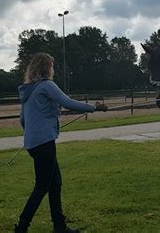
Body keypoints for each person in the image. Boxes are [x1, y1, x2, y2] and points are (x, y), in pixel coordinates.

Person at [15, 52, 108, 233]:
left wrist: (33, 133)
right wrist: (95, 107)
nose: (53, 69)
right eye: (52, 65)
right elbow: (68, 102)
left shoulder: (29, 90)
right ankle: (22, 227)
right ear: (47, 67)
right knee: (42, 186)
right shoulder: (46, 85)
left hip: (35, 143)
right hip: (44, 143)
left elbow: (22, 119)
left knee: (55, 184)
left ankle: (60, 227)